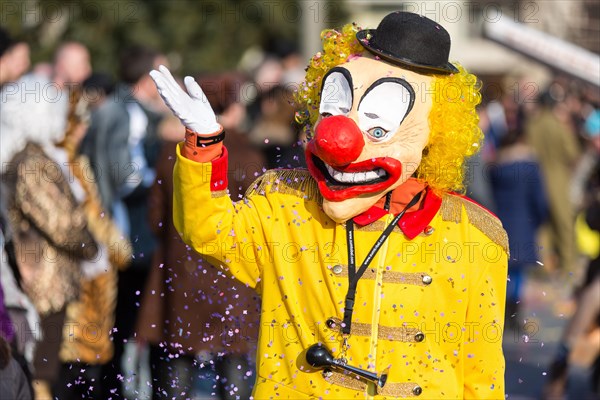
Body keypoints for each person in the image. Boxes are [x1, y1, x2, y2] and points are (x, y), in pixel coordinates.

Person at [152, 12, 508, 398]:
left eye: (376, 127)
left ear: (433, 133)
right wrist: (204, 143)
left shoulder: (473, 236)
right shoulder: (286, 203)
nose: (339, 141)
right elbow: (210, 231)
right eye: (334, 114)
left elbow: (480, 370)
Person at [81, 44, 163, 397]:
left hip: (112, 227)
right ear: (147, 79)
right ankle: (117, 388)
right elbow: (124, 176)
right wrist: (156, 183)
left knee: (119, 318)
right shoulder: (130, 113)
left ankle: (112, 383)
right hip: (127, 232)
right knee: (128, 319)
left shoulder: (111, 109)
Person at [489, 129, 548, 327]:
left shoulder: (496, 166)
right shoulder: (530, 167)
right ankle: (513, 312)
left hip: (500, 222)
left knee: (503, 269)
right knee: (518, 273)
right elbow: (539, 199)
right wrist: (540, 219)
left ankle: (502, 310)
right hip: (524, 223)